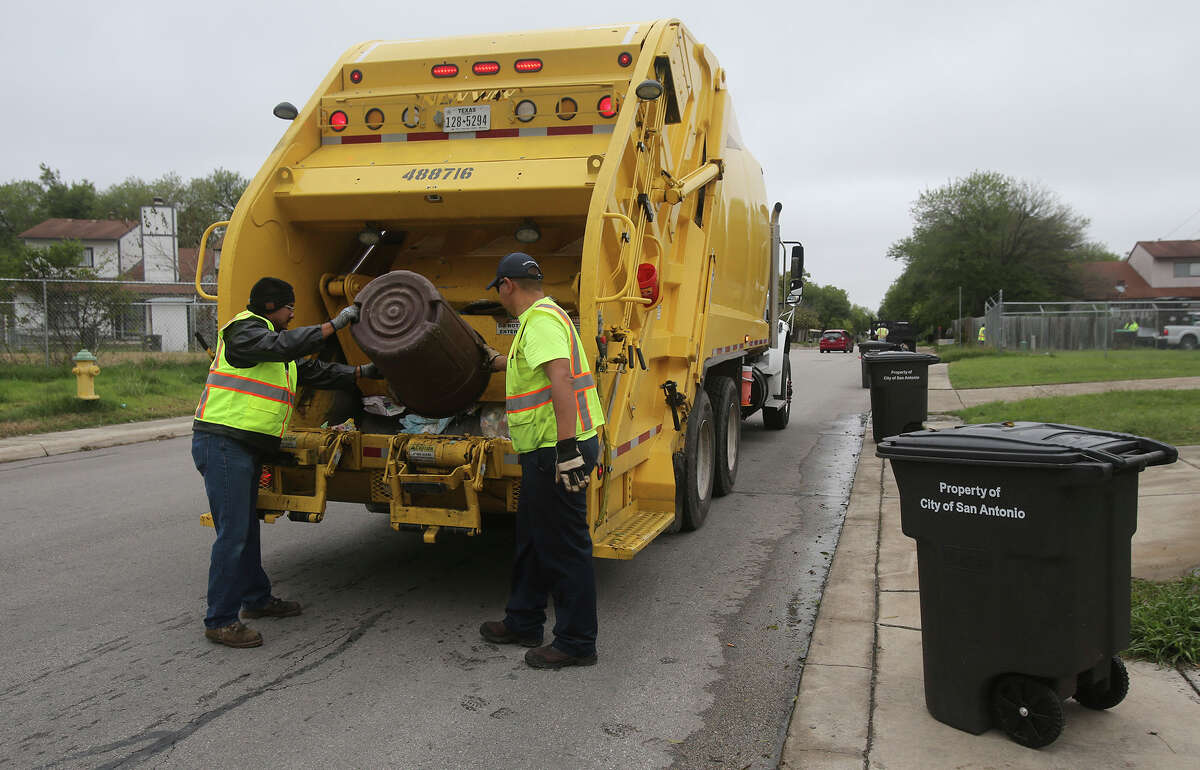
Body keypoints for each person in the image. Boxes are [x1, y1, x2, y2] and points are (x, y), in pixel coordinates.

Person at [192, 277, 384, 648]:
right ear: (270, 306)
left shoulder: (273, 346)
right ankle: (220, 620)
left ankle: (256, 600)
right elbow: (282, 345)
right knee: (233, 534)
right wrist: (334, 325)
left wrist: (362, 373)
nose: (293, 314)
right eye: (288, 307)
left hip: (244, 447)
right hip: (223, 444)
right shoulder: (244, 332)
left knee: (245, 531)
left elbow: (312, 371)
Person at [477, 252, 605, 670]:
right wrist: (493, 360)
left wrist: (567, 451)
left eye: (498, 288)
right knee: (532, 539)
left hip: (559, 449)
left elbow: (560, 378)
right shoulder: (537, 321)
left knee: (564, 547)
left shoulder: (541, 322)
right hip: (543, 451)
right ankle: (523, 621)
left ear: (507, 285)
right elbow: (529, 367)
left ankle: (577, 642)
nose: (498, 295)